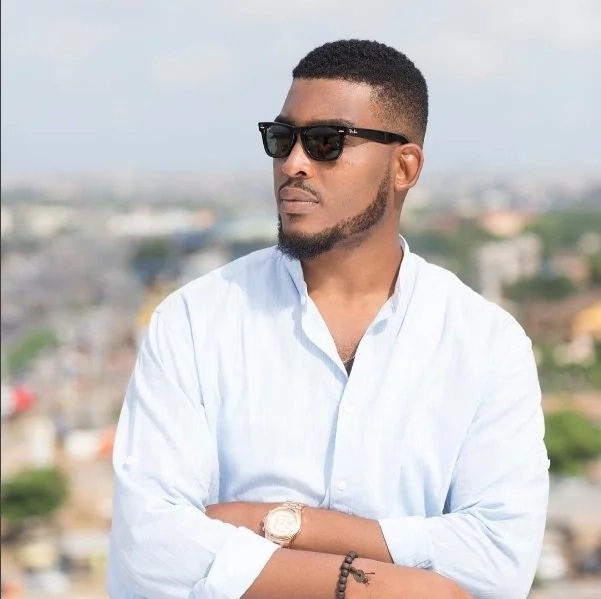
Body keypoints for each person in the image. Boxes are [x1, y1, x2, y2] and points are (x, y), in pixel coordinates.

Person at [107, 40, 549, 599]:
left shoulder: (485, 343)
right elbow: (150, 549)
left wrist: (282, 524)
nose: (293, 164)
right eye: (281, 139)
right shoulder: (194, 322)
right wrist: (377, 587)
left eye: (325, 142)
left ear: (404, 167)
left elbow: (499, 562)